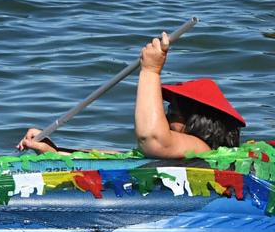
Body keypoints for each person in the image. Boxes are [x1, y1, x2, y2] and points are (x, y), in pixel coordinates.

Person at [21, 33, 243, 158]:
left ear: (199, 121)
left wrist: (151, 70)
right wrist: (56, 152)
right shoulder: (182, 151)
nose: (164, 118)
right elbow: (120, 159)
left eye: (172, 113)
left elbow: (152, 139)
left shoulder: (202, 149)